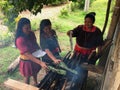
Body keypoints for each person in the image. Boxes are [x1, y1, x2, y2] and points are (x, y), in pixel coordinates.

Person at [67, 12, 104, 90]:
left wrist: (99, 52)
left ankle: (80, 84)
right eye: (86, 21)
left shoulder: (97, 31)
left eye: (89, 22)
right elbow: (73, 32)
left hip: (88, 54)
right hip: (77, 52)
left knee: (83, 69)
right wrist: (70, 32)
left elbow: (100, 43)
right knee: (73, 65)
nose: (87, 24)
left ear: (93, 22)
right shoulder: (80, 28)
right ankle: (71, 81)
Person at [15, 18, 48, 85]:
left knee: (35, 72)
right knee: (27, 76)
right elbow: (28, 55)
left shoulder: (31, 33)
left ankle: (36, 83)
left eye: (29, 27)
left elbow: (35, 43)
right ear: (21, 28)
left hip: (35, 56)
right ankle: (27, 87)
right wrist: (40, 62)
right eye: (26, 28)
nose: (29, 29)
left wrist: (40, 49)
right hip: (26, 60)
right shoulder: (20, 40)